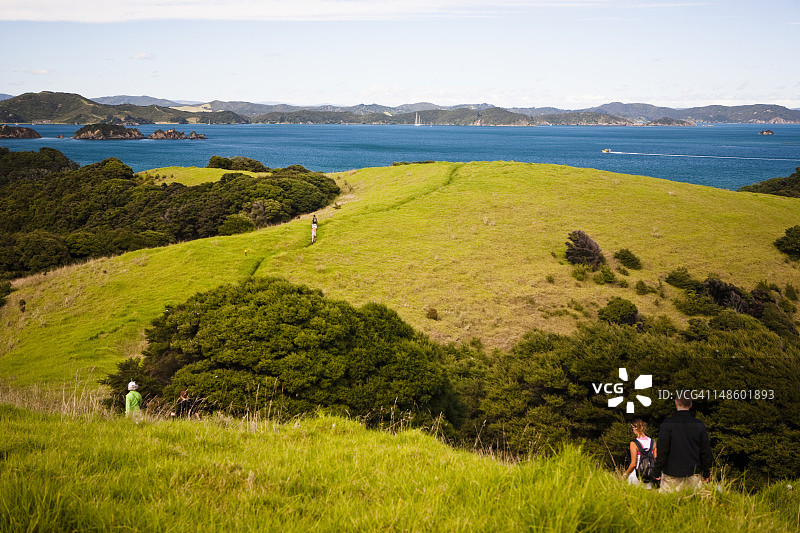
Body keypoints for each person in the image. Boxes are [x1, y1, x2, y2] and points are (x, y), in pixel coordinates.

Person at [654, 396, 713, 492]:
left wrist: (657, 471)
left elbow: (662, 450)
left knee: (668, 504)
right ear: (690, 404)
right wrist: (706, 472)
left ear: (676, 402)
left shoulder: (667, 424)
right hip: (693, 473)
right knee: (692, 504)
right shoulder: (699, 425)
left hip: (671, 473)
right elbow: (705, 451)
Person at [623, 419, 657, 488]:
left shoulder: (634, 443)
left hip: (636, 475)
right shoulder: (653, 442)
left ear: (635, 428)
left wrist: (625, 474)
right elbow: (656, 460)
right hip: (649, 475)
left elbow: (633, 464)